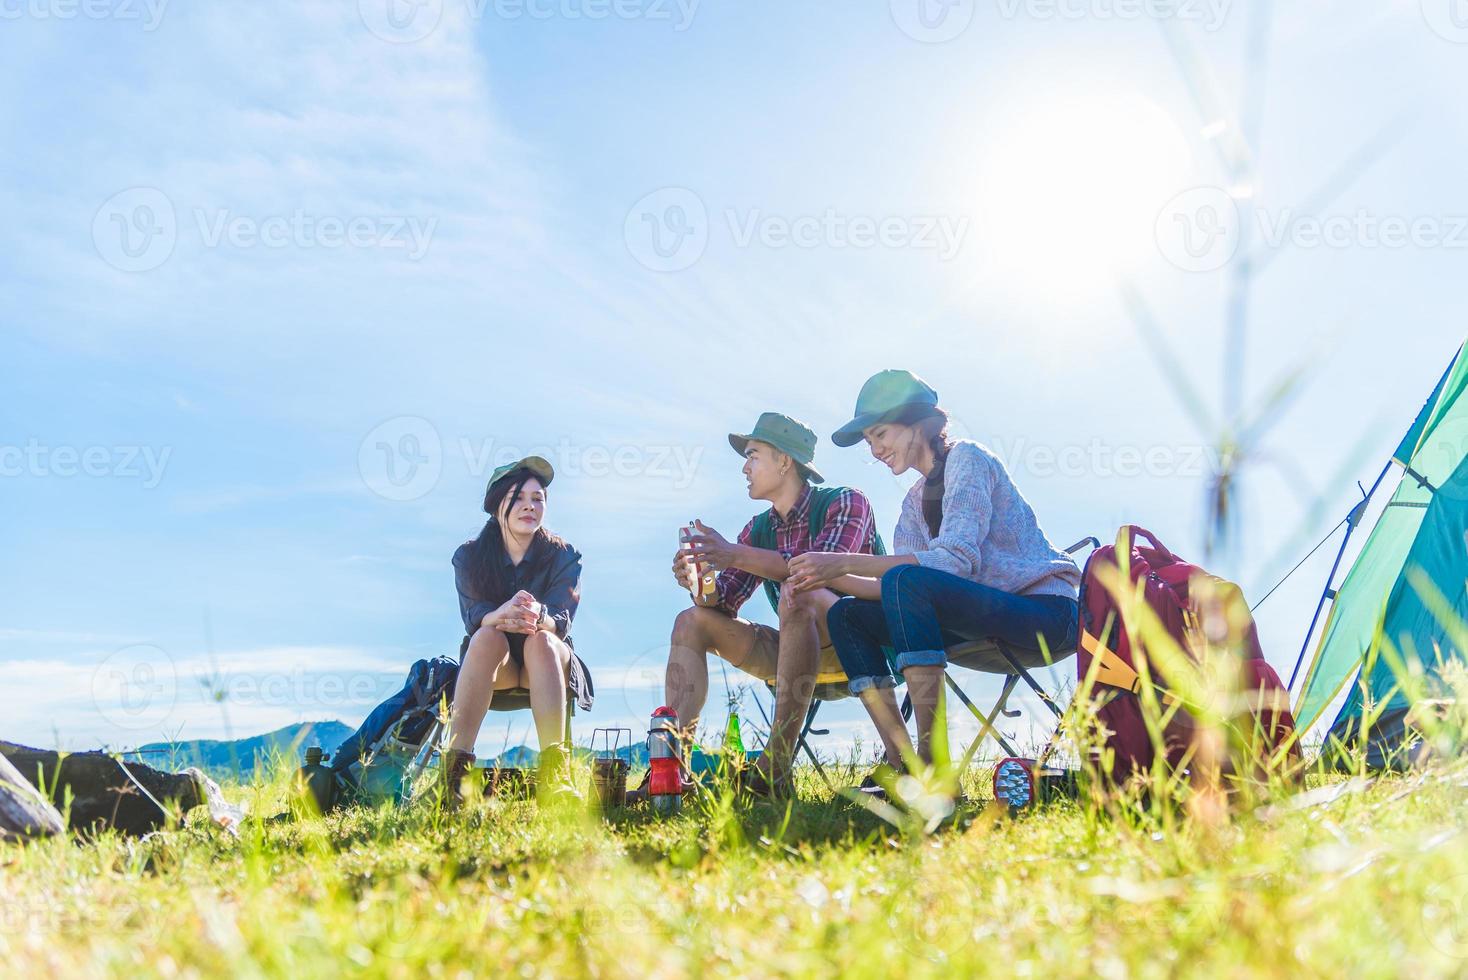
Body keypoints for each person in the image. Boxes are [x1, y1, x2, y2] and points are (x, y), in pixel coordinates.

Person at [787, 370, 1080, 788]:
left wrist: (840, 560)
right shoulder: (911, 503)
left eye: (880, 433)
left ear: (918, 422)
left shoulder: (968, 459)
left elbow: (953, 561)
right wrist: (824, 578)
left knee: (906, 580)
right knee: (848, 617)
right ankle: (903, 763)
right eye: (869, 441)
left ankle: (935, 764)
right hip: (977, 622)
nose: (875, 449)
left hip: (1044, 616)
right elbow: (891, 591)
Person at [640, 413, 882, 800]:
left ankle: (776, 766)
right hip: (795, 650)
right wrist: (700, 581)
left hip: (859, 647)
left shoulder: (845, 501)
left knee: (800, 590)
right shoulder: (758, 529)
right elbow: (724, 605)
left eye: (753, 455)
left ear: (785, 461)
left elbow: (827, 571)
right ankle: (672, 768)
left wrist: (734, 553)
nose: (744, 467)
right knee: (692, 620)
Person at [443, 456, 593, 806]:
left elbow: (562, 619)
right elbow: (473, 615)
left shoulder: (564, 555)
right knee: (484, 635)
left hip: (549, 664)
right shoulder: (468, 556)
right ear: (498, 507)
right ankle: (454, 777)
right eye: (518, 497)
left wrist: (536, 615)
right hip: (498, 666)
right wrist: (502, 614)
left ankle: (556, 775)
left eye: (537, 498)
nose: (530, 506)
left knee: (542, 641)